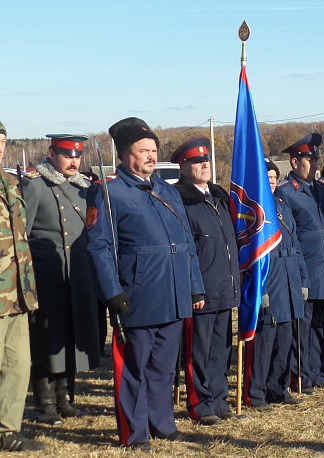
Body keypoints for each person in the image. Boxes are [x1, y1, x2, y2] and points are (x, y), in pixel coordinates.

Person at [86, 117, 205, 452]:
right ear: (126, 155)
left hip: (174, 292)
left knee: (164, 368)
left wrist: (194, 286)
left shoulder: (167, 190)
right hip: (137, 294)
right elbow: (99, 246)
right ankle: (134, 432)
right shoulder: (108, 192)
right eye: (144, 151)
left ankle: (161, 423)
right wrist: (112, 292)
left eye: (154, 150)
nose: (152, 156)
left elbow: (185, 242)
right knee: (134, 368)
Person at [21, 134, 100, 425]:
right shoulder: (35, 186)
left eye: (77, 156)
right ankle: (46, 405)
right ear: (51, 153)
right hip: (47, 276)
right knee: (45, 340)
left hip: (77, 275)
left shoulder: (85, 189)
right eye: (67, 155)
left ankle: (67, 399)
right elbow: (23, 236)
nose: (74, 161)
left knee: (71, 336)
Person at [170, 137, 241, 425]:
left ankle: (218, 397)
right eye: (197, 162)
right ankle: (200, 403)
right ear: (183, 167)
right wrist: (193, 288)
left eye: (206, 160)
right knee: (198, 351)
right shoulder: (182, 199)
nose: (204, 165)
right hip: (202, 289)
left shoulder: (219, 197)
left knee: (221, 349)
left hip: (225, 285)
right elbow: (186, 249)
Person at [274, 133, 324, 393]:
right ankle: (299, 375)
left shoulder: (322, 190)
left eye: (315, 159)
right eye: (309, 160)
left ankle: (317, 372)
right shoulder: (286, 193)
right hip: (305, 269)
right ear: (294, 162)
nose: (314, 164)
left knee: (321, 325)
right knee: (303, 326)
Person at [244, 160, 308, 410]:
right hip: (269, 278)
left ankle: (278, 388)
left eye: (273, 177)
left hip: (289, 276)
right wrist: (261, 290)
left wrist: (302, 279)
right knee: (264, 342)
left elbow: (296, 246)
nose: (271, 181)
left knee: (285, 338)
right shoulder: (253, 210)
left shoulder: (282, 205)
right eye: (266, 177)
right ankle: (256, 394)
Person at [0, 120, 46, 452]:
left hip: (17, 291)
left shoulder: (12, 183)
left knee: (18, 363)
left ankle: (7, 429)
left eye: (2, 142)